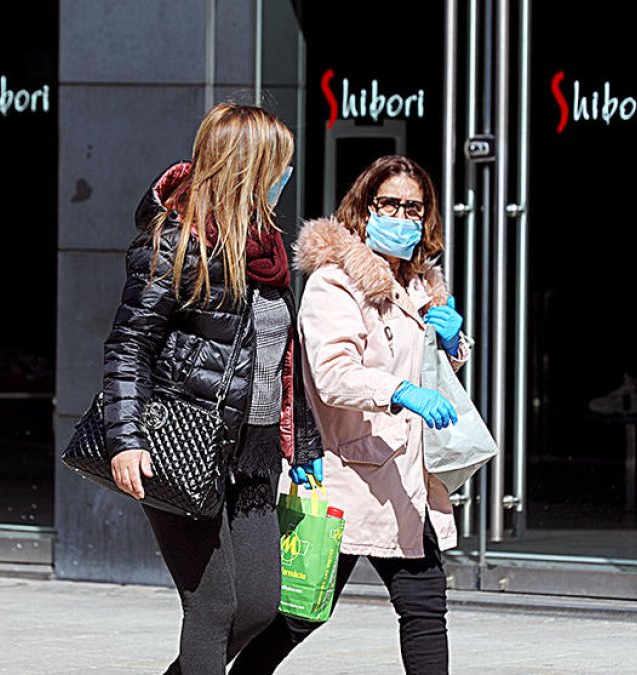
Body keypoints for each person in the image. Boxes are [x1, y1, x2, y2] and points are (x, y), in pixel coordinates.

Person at [101, 102, 322, 675]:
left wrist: (304, 446)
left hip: (252, 451)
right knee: (213, 605)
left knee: (258, 605)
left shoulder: (266, 249)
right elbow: (129, 346)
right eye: (280, 166)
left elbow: (278, 358)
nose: (285, 178)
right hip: (180, 444)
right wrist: (125, 439)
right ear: (249, 166)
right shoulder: (175, 242)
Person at [233, 155, 468, 675]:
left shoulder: (422, 284)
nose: (403, 217)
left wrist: (451, 344)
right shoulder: (335, 282)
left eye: (415, 207)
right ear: (365, 207)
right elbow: (334, 373)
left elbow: (426, 368)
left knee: (426, 607)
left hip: (407, 476)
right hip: (346, 476)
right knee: (300, 613)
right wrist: (402, 391)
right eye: (391, 204)